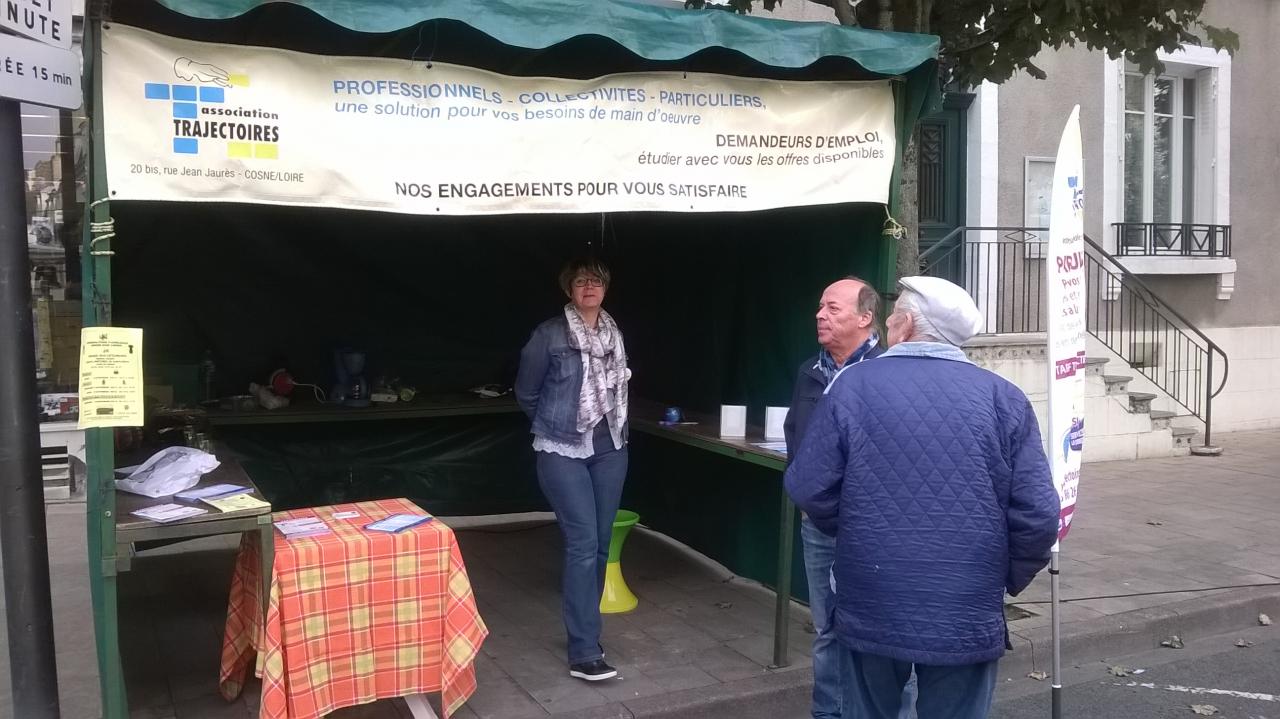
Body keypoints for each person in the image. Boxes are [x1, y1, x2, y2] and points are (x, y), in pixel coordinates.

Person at [784, 276, 1060, 719]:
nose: (890, 322)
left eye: (894, 316)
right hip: (967, 604)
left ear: (907, 325)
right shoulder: (1005, 399)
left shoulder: (852, 387)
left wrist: (854, 533)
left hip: (872, 597)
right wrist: (1000, 577)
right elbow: (1040, 517)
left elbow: (809, 486)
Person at [515, 257, 630, 682]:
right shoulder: (549, 334)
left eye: (596, 280)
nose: (589, 286)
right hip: (562, 448)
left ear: (605, 288)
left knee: (601, 544)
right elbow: (526, 391)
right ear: (569, 289)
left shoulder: (614, 334)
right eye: (581, 280)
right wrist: (557, 422)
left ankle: (588, 631)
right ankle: (584, 651)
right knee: (583, 542)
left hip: (610, 445)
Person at [783, 277, 885, 719]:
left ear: (865, 317)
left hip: (872, 528)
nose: (820, 315)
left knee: (881, 631)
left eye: (833, 308)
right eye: (820, 307)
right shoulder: (811, 370)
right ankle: (828, 713)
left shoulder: (889, 371)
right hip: (820, 524)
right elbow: (797, 437)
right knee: (826, 628)